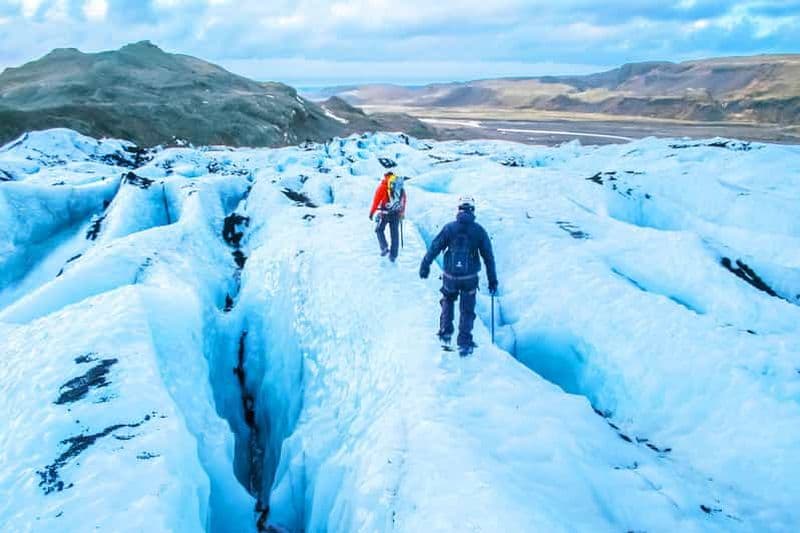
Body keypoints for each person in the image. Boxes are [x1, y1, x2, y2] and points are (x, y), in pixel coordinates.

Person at [419, 196, 498, 356]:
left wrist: (425, 265)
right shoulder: (479, 231)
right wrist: (492, 280)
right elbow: (488, 257)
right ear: (472, 210)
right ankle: (464, 343)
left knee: (447, 300)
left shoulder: (449, 228)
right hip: (469, 278)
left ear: (459, 209)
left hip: (450, 276)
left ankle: (445, 333)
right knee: (467, 310)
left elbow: (434, 247)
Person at [369, 171, 407, 262]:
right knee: (395, 234)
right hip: (396, 213)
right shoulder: (400, 187)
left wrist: (371, 213)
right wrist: (402, 212)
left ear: (385, 176)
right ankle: (393, 255)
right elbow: (404, 200)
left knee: (379, 229)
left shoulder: (383, 186)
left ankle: (384, 247)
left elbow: (376, 201)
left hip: (385, 213)